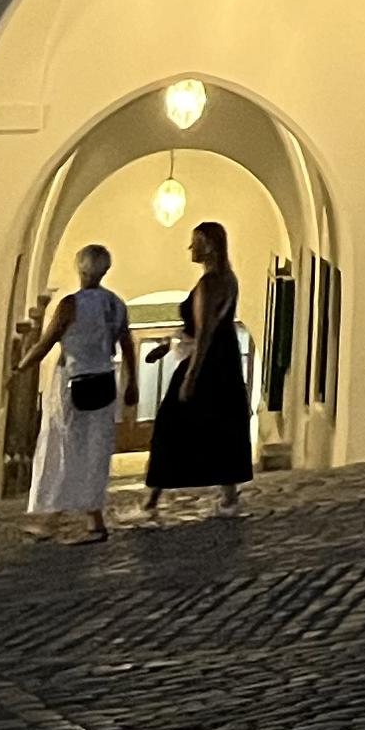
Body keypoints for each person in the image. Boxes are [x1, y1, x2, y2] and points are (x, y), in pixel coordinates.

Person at [16, 246, 133, 541]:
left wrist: (20, 368)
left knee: (64, 446)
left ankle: (50, 516)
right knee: (95, 450)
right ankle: (93, 519)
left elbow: (47, 342)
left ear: (81, 269)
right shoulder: (115, 304)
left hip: (73, 383)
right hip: (105, 381)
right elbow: (127, 344)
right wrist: (132, 384)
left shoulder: (71, 305)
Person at [142, 220, 252, 520]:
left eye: (196, 241)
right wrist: (170, 343)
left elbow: (204, 332)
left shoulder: (210, 283)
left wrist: (191, 376)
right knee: (223, 424)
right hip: (224, 359)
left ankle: (153, 498)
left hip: (208, 361)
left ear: (209, 245)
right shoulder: (228, 279)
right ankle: (228, 496)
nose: (191, 248)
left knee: (171, 424)